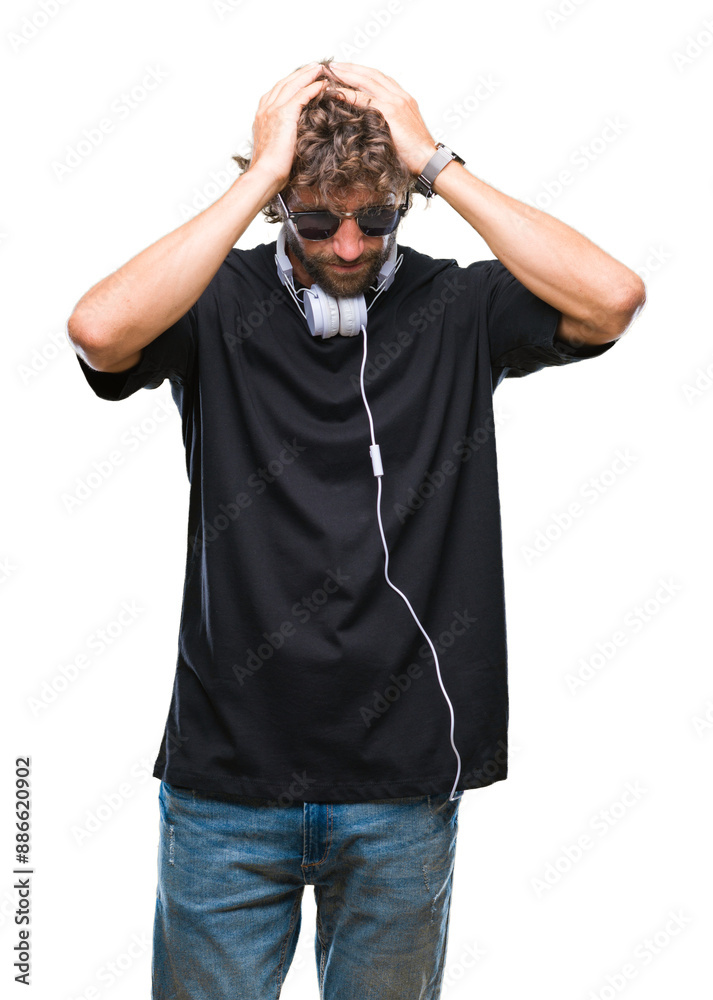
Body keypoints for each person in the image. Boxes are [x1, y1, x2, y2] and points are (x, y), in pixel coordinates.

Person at [66, 59, 646, 1000]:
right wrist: (259, 173)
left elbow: (611, 297)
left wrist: (434, 161)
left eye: (373, 218)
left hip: (402, 783)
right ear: (280, 207)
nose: (345, 246)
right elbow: (97, 330)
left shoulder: (456, 307)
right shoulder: (211, 302)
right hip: (227, 783)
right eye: (315, 218)